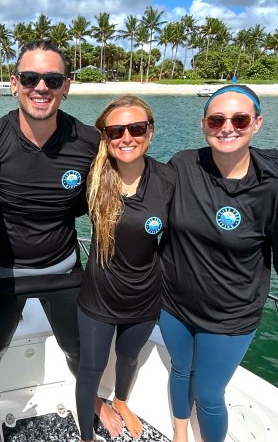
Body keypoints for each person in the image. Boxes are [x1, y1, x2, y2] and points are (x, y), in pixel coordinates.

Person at [158, 85, 278, 442]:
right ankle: (180, 433)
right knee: (180, 369)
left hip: (231, 314)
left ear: (257, 123)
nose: (227, 127)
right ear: (204, 125)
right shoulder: (183, 164)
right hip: (173, 302)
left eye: (239, 119)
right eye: (217, 119)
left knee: (209, 394)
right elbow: (149, 204)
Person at [0, 40, 99, 408]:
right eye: (30, 78)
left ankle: (92, 409)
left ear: (66, 87)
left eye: (52, 79)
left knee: (79, 351)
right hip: (2, 273)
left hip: (63, 270)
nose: (41, 87)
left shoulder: (89, 142)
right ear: (14, 83)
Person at [76, 95, 176, 441]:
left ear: (150, 132)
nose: (126, 137)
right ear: (105, 136)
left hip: (146, 298)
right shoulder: (92, 177)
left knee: (128, 357)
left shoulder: (168, 179)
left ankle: (120, 401)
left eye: (136, 128)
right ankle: (87, 434)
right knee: (90, 369)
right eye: (116, 130)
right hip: (98, 298)